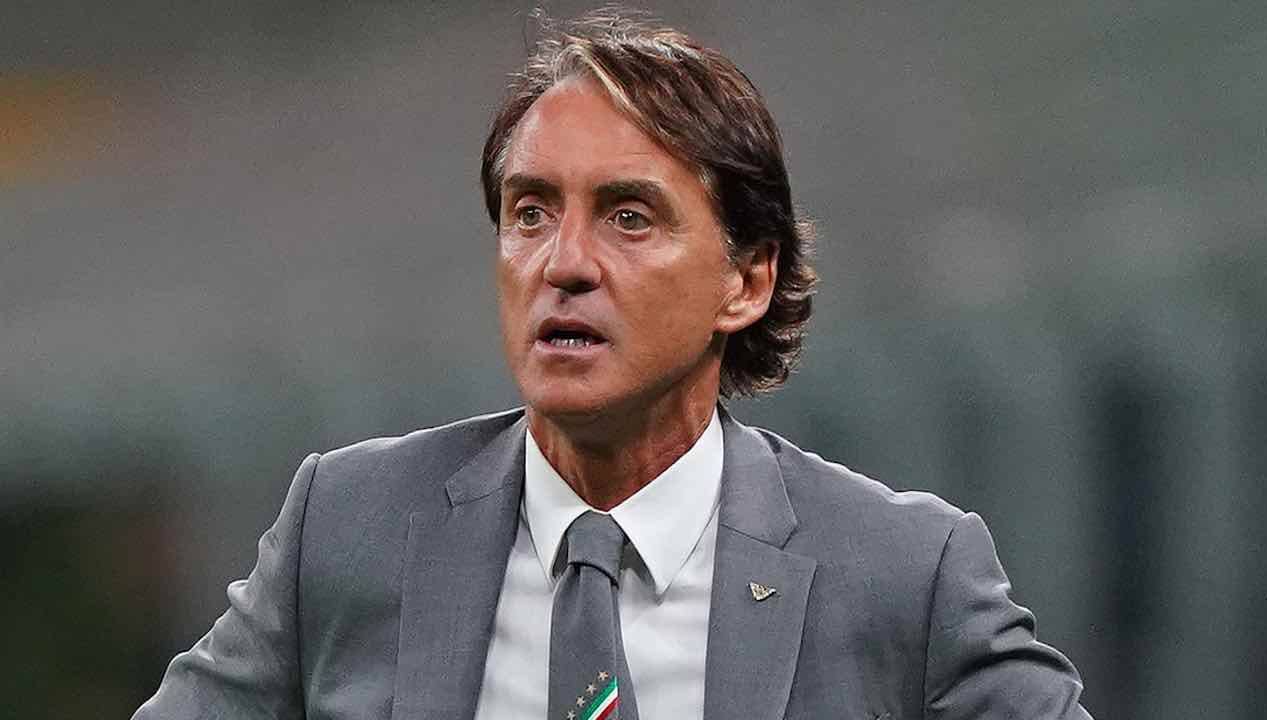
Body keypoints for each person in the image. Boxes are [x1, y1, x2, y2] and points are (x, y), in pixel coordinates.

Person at [135, 10, 1091, 720]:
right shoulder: (347, 529)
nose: (565, 263)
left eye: (629, 217)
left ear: (746, 280)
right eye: (530, 212)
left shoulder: (905, 575)